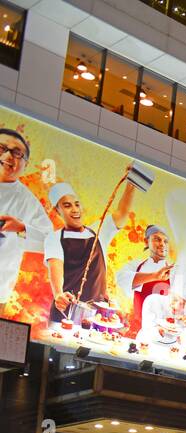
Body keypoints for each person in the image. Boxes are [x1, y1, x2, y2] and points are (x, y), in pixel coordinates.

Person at [45, 172, 138, 326]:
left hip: (97, 317)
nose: (75, 209)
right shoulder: (54, 238)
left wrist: (132, 183)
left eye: (76, 204)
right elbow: (56, 267)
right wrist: (58, 294)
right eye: (67, 205)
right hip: (64, 313)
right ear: (57, 211)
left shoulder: (99, 231)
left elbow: (122, 212)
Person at [0, 128, 51, 305]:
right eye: (2, 148)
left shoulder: (27, 201)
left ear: (26, 164)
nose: (7, 156)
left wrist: (21, 228)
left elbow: (50, 241)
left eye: (16, 153)